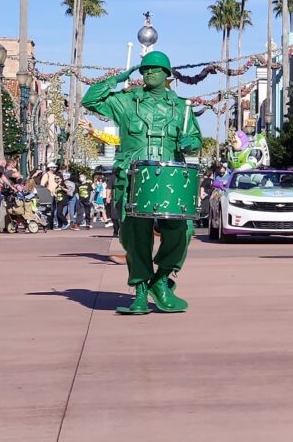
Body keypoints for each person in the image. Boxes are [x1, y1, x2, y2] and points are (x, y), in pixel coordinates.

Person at [82, 50, 203, 315]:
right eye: (144, 69)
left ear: (166, 75)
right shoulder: (125, 102)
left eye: (155, 69)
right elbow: (90, 100)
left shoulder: (182, 108)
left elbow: (195, 139)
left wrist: (190, 142)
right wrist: (119, 77)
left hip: (169, 180)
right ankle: (139, 290)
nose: (148, 72)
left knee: (182, 232)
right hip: (133, 178)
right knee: (135, 236)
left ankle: (161, 280)